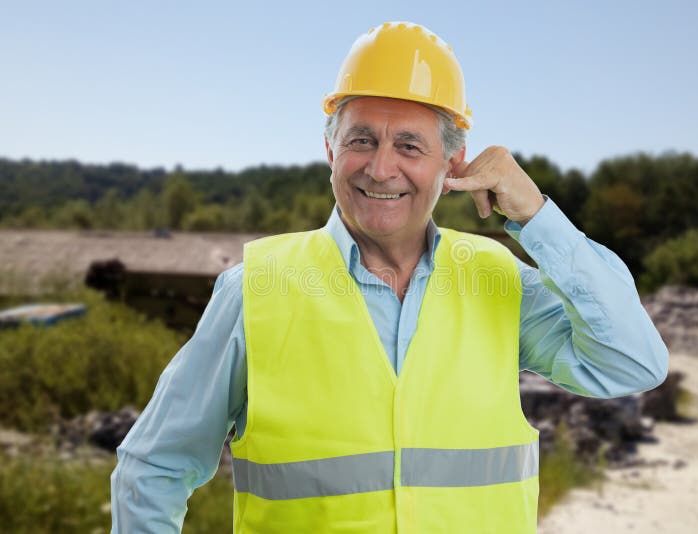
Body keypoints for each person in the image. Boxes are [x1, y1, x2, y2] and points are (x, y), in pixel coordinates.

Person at [111, 21, 669, 533]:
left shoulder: (499, 282)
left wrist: (537, 216)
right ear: (329, 149)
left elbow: (632, 361)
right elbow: (152, 469)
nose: (381, 168)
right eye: (361, 140)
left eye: (409, 145)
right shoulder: (256, 290)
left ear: (452, 165)